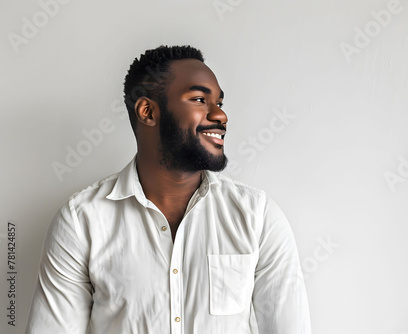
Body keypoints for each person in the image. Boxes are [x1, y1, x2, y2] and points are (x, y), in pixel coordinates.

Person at [25, 45, 311, 334]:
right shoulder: (81, 221)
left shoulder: (257, 217)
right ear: (148, 111)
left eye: (220, 103)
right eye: (199, 99)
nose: (220, 116)